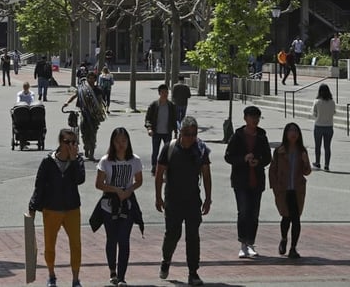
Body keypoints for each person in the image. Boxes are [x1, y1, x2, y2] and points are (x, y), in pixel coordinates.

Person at [155, 116, 211, 287]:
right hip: (173, 200)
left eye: (193, 134)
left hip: (193, 200)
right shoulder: (170, 148)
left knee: (193, 236)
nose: (190, 138)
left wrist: (208, 198)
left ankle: (193, 272)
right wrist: (158, 197)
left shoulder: (200, 150)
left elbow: (207, 175)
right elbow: (159, 173)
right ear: (181, 133)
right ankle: (166, 260)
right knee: (173, 234)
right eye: (187, 134)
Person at [28, 128, 86, 287]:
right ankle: (51, 275)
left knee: (76, 244)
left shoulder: (78, 161)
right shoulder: (48, 162)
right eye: (67, 142)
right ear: (60, 142)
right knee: (49, 245)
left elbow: (79, 179)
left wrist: (74, 160)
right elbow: (39, 186)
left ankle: (75, 279)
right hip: (51, 209)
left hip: (72, 209)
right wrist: (32, 207)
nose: (70, 145)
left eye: (74, 142)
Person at [90, 127, 144, 287]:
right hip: (109, 204)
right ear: (112, 143)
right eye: (117, 141)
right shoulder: (106, 161)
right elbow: (99, 184)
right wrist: (115, 189)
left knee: (124, 239)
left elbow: (139, 180)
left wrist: (129, 190)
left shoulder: (135, 160)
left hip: (127, 203)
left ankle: (121, 277)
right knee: (112, 239)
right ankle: (112, 271)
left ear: (128, 142)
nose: (121, 145)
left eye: (124, 141)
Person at [224, 105, 272, 258]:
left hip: (257, 180)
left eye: (257, 117)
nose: (255, 120)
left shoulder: (262, 136)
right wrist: (243, 159)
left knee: (254, 213)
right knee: (243, 212)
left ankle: (251, 243)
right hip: (241, 181)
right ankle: (243, 244)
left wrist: (258, 161)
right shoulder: (237, 136)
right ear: (245, 118)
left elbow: (268, 157)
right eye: (252, 117)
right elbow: (228, 156)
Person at [268, 122, 311, 258]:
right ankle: (284, 239)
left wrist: (305, 161)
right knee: (286, 217)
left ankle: (293, 248)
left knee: (296, 219)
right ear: (286, 134)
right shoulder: (279, 151)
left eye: (296, 131)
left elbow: (307, 171)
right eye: (290, 131)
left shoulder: (302, 151)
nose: (293, 134)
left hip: (297, 190)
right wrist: (274, 187)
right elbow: (272, 170)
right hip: (283, 189)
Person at [64, 71, 106, 161]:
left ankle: (92, 152)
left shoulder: (97, 90)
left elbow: (99, 102)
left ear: (95, 80)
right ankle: (86, 147)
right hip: (83, 114)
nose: (91, 80)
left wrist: (99, 112)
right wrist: (67, 103)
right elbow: (74, 96)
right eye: (89, 78)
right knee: (84, 132)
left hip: (94, 116)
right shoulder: (82, 89)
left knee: (93, 133)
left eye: (93, 78)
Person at [144, 84, 178, 174]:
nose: (165, 94)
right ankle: (154, 166)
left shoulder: (171, 105)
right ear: (159, 93)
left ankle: (166, 167)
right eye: (163, 92)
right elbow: (148, 118)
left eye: (166, 92)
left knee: (168, 151)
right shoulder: (154, 105)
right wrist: (149, 128)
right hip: (156, 132)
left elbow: (174, 119)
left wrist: (176, 131)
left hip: (167, 132)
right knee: (155, 150)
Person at [311, 84, 336, 171]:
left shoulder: (317, 101)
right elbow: (333, 112)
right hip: (329, 126)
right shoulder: (332, 102)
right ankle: (327, 164)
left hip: (319, 125)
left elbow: (314, 113)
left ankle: (317, 162)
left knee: (318, 146)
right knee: (327, 146)